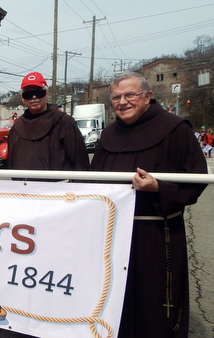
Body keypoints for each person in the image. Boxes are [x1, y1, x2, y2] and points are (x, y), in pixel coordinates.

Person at [91, 72, 207, 337]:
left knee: (153, 302)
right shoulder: (108, 134)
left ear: (147, 97)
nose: (122, 102)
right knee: (114, 297)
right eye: (117, 97)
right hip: (114, 234)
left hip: (156, 233)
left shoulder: (175, 129)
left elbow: (197, 180)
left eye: (130, 95)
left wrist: (159, 188)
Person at [6, 72, 89, 172]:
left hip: (58, 186)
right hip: (23, 186)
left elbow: (80, 163)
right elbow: (11, 163)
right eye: (28, 94)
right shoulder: (16, 128)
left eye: (39, 92)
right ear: (23, 98)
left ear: (47, 94)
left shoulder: (64, 122)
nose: (33, 97)